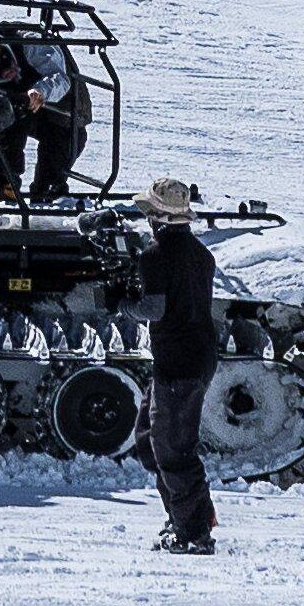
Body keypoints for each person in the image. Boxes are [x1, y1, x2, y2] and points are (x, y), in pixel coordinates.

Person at [133, 178, 219, 554]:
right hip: (193, 357)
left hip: (178, 363)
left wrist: (121, 302)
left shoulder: (155, 255)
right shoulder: (202, 254)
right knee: (148, 439)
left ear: (155, 216)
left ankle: (194, 533)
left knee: (173, 449)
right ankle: (186, 517)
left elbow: (153, 309)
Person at [0, 19, 90, 205]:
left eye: (5, 62)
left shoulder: (32, 44)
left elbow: (60, 78)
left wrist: (41, 91)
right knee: (10, 112)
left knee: (63, 141)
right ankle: (3, 182)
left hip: (63, 109)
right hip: (25, 107)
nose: (6, 72)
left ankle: (48, 191)